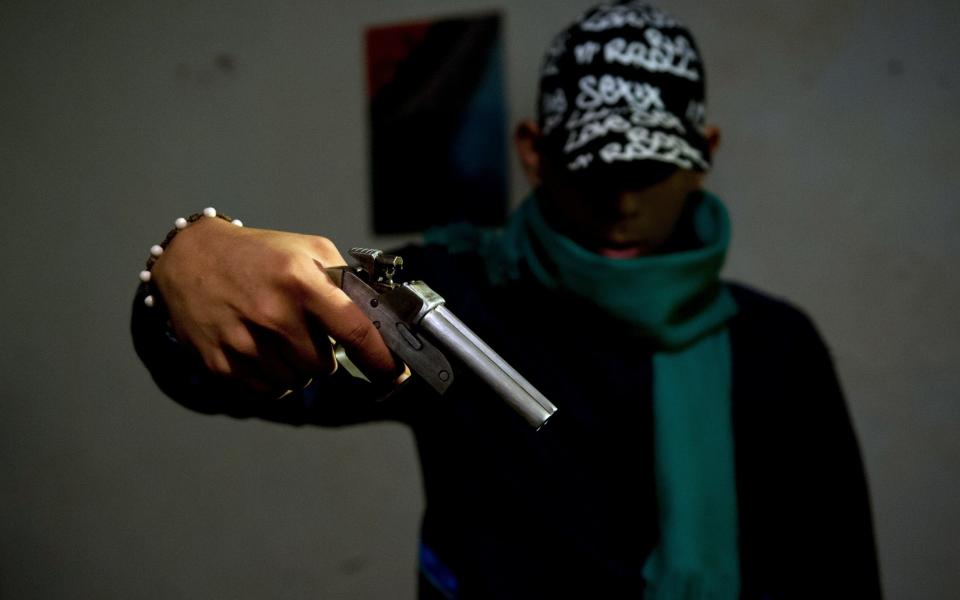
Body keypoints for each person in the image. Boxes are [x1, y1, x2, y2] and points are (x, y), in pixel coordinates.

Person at [132, 2, 882, 598]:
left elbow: (840, 570)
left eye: (649, 168)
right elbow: (226, 376)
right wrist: (182, 275)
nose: (621, 203)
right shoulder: (450, 296)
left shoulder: (777, 345)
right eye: (593, 167)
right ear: (533, 150)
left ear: (704, 155)